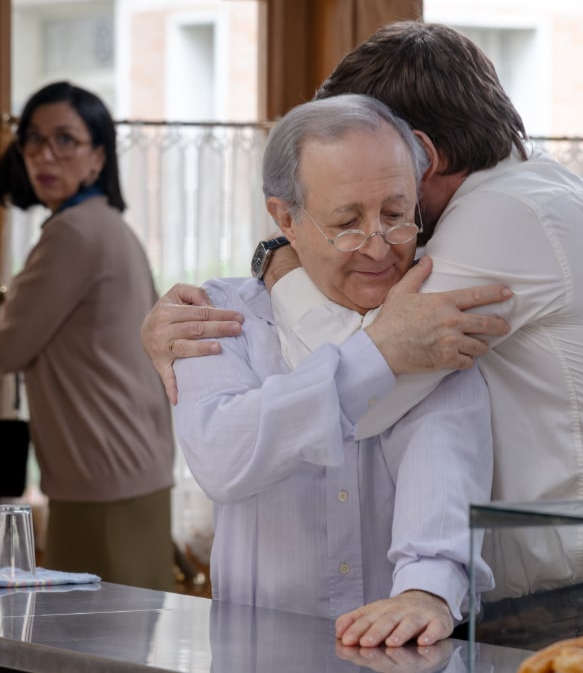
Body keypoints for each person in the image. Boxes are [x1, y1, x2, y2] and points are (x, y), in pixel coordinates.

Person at [143, 21, 583, 648]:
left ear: (419, 155)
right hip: (575, 597)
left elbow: (374, 360)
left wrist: (280, 267)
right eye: (344, 215)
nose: (377, 241)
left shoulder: (504, 216)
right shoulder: (523, 195)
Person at [172, 94, 493, 649]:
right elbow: (223, 456)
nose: (379, 248)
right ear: (285, 220)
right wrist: (380, 354)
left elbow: (445, 454)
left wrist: (427, 591)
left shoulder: (433, 319)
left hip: (399, 660)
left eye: (396, 215)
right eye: (347, 223)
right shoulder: (220, 317)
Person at [0, 81, 175, 591]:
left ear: (97, 157)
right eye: (33, 139)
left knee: (93, 649)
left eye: (65, 140)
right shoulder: (106, 227)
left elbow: (1, 352)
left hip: (102, 473)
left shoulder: (73, 233)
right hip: (129, 464)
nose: (45, 154)